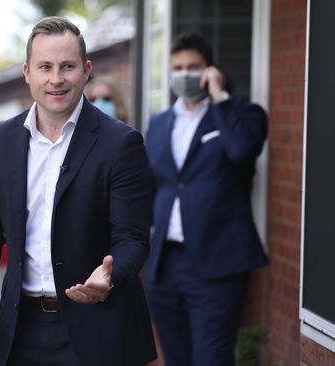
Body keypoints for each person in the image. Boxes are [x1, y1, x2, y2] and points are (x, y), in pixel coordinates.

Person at [0, 16, 157, 366]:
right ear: (27, 72)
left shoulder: (121, 143)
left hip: (99, 324)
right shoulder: (0, 140)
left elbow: (133, 237)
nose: (56, 79)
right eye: (45, 67)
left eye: (67, 66)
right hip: (22, 328)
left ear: (86, 70)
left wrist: (109, 276)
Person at [144, 32, 268, 366]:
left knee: (211, 359)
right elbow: (153, 187)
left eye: (192, 67)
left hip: (217, 264)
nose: (184, 74)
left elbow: (242, 152)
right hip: (166, 265)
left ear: (209, 69)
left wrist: (221, 98)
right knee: (177, 359)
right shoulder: (158, 124)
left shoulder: (242, 114)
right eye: (177, 67)